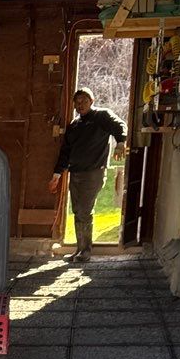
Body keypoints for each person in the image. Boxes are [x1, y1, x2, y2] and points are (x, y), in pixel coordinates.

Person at [48, 88, 127, 262]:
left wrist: (120, 142)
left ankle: (85, 252)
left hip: (93, 173)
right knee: (77, 212)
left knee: (84, 211)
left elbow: (119, 125)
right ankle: (80, 250)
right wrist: (56, 175)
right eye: (77, 102)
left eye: (84, 101)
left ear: (92, 101)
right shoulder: (75, 125)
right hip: (75, 173)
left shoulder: (101, 117)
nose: (80, 105)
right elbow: (65, 152)